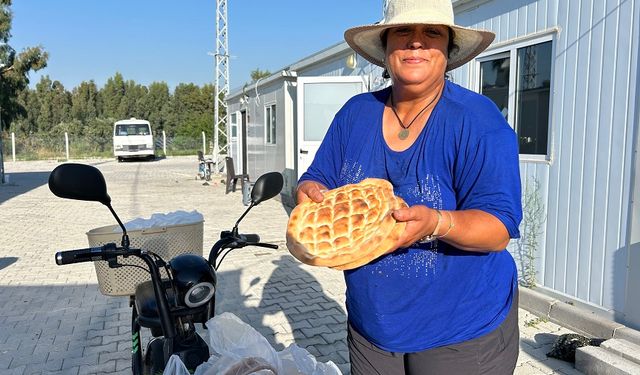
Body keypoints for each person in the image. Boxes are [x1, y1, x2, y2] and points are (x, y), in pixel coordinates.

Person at [294, 0, 522, 374]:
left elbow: (498, 229)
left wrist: (435, 223)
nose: (415, 43)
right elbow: (318, 179)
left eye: (431, 33)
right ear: (385, 48)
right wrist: (310, 191)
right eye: (403, 32)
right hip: (373, 328)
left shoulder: (477, 120)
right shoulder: (355, 114)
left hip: (461, 331)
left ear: (448, 50)